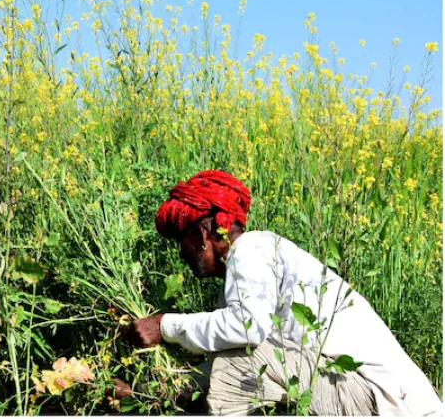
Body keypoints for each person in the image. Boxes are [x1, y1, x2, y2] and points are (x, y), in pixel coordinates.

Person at [115, 170, 442, 416]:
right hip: (361, 393)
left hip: (383, 400)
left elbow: (246, 332)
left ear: (204, 232)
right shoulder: (244, 277)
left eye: (181, 241)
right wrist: (145, 394)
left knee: (239, 357)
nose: (181, 254)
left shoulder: (252, 249)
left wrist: (164, 326)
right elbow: (225, 360)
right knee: (232, 360)